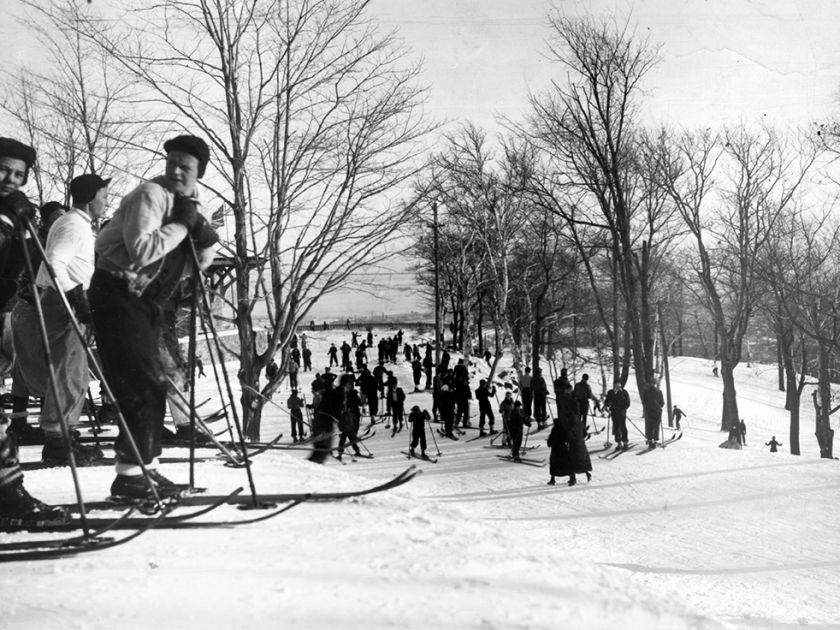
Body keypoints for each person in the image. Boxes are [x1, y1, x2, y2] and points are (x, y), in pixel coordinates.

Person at [88, 134, 219, 500]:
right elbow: (142, 251)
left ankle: (146, 469)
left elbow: (202, 259)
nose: (176, 170)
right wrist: (181, 226)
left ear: (199, 173)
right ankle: (129, 477)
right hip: (116, 292)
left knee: (154, 381)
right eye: (172, 162)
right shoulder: (151, 195)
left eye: (186, 166)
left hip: (147, 299)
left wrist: (202, 234)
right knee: (140, 380)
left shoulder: (193, 204)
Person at [0, 137, 72, 528]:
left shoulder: (12, 210)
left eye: (19, 174)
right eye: (3, 170)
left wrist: (27, 230)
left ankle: (8, 493)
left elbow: (25, 265)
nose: (10, 179)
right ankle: (8, 496)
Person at [604, 381, 631, 449]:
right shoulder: (610, 392)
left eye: (619, 385)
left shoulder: (624, 392)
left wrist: (624, 409)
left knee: (623, 427)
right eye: (616, 385)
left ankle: (625, 443)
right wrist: (607, 405)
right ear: (614, 385)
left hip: (621, 412)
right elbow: (607, 401)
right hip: (614, 412)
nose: (618, 386)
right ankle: (619, 443)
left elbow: (627, 403)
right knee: (616, 427)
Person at [641, 378, 664, 448]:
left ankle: (650, 440)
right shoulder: (659, 392)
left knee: (649, 425)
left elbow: (644, 402)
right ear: (655, 384)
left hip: (649, 411)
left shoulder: (646, 391)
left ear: (650, 383)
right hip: (657, 411)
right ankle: (655, 439)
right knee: (656, 425)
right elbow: (662, 403)